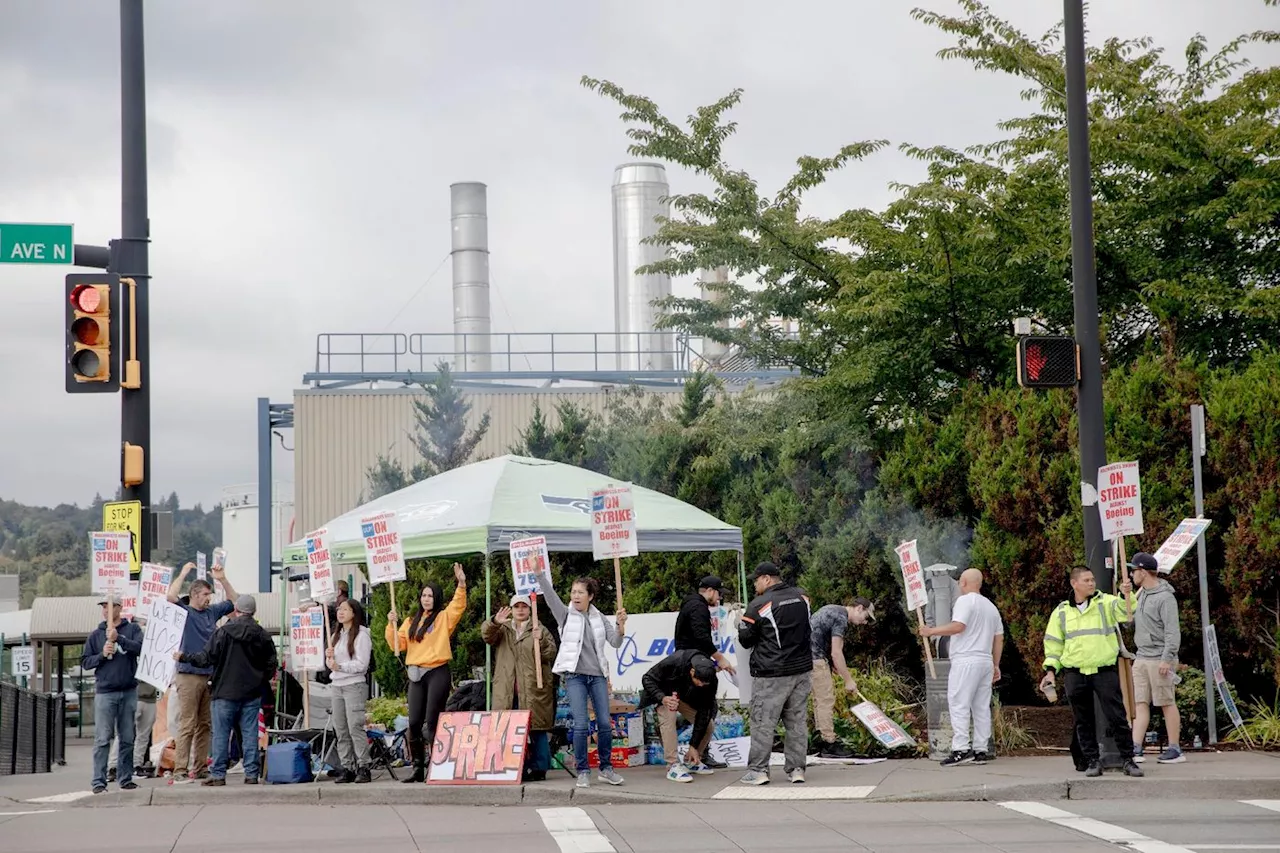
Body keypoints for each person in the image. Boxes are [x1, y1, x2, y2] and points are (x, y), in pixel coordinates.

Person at [1040, 566, 1143, 778]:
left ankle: (1128, 759)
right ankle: (1092, 761)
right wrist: (1050, 671)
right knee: (1082, 720)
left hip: (1103, 670)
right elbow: (1053, 645)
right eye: (1086, 580)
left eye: (1092, 579)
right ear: (1074, 583)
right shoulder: (1061, 612)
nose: (1091, 583)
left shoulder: (1105, 602)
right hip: (1075, 673)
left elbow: (1126, 612)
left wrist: (1126, 594)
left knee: (1117, 717)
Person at [536, 569, 627, 789]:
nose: (575, 596)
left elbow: (615, 642)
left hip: (597, 676)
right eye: (573, 592)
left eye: (580, 592)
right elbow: (550, 597)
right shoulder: (565, 615)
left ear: (590, 596)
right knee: (581, 724)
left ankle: (606, 768)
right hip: (574, 676)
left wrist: (620, 626)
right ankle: (583, 771)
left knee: (605, 723)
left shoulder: (599, 618)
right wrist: (539, 574)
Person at [173, 594, 277, 786]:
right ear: (254, 612)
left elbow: (205, 658)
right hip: (252, 692)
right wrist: (261, 678)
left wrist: (184, 657)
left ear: (236, 610)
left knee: (221, 734)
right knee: (249, 734)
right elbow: (272, 663)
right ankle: (252, 774)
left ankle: (219, 774)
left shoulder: (223, 632)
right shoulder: (262, 634)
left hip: (224, 692)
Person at [386, 562, 468, 783]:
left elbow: (458, 606)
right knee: (413, 722)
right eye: (424, 595)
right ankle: (417, 768)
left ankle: (436, 766)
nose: (426, 599)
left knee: (432, 722)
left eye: (430, 596)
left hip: (437, 671)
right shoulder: (410, 621)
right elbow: (397, 645)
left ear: (436, 598)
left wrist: (461, 584)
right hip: (416, 674)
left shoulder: (442, 618)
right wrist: (390, 624)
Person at [737, 562, 813, 786]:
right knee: (797, 722)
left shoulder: (759, 604)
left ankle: (758, 770)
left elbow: (745, 639)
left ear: (767, 579)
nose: (754, 583)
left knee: (763, 722)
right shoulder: (803, 598)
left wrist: (738, 624)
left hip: (771, 673)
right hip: (802, 670)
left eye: (757, 579)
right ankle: (797, 769)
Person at [920, 569, 1004, 766]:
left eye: (959, 582)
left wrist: (931, 630)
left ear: (964, 583)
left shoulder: (965, 601)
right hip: (985, 660)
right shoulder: (991, 607)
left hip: (966, 658)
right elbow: (998, 638)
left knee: (959, 703)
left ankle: (961, 748)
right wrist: (995, 664)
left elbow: (958, 626)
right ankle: (980, 749)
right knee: (981, 706)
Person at [166, 560, 238, 779]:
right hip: (188, 674)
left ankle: (200, 767)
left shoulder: (212, 612)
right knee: (187, 723)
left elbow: (235, 602)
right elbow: (170, 597)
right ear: (195, 594)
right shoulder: (185, 612)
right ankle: (180, 768)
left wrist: (222, 579)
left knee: (205, 724)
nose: (209, 598)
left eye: (210, 594)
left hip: (209, 674)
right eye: (206, 594)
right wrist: (183, 573)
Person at [482, 594, 559, 782]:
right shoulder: (503, 629)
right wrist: (494, 622)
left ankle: (540, 768)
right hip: (507, 689)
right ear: (511, 609)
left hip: (534, 688)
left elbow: (551, 653)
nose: (520, 610)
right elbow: (486, 636)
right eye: (516, 606)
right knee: (510, 729)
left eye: (524, 606)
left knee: (537, 729)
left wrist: (540, 640)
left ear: (529, 609)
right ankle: (517, 767)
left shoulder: (539, 628)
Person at [82, 597, 145, 794]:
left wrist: (120, 639)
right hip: (105, 692)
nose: (105, 610)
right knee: (102, 738)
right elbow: (86, 662)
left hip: (128, 690)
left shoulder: (133, 629)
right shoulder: (95, 635)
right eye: (103, 606)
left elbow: (141, 649)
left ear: (119, 608)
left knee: (127, 737)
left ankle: (125, 778)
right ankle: (99, 782)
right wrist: (101, 655)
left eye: (109, 606)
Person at [1129, 552, 1185, 764]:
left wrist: (1167, 658)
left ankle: (1175, 748)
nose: (1132, 574)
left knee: (1166, 702)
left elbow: (1173, 631)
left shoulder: (1165, 597)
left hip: (1159, 657)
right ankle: (1136, 746)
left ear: (1143, 572)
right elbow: (1129, 620)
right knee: (1140, 702)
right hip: (1142, 656)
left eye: (1134, 570)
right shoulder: (1141, 594)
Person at [808, 597, 875, 759]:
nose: (864, 623)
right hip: (815, 658)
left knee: (815, 700)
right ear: (859, 608)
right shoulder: (841, 618)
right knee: (825, 699)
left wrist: (835, 666)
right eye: (866, 617)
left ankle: (819, 738)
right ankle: (828, 743)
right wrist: (848, 680)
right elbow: (836, 652)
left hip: (804, 657)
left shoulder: (832, 608)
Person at [640, 649, 719, 783]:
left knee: (708, 725)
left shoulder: (710, 681)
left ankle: (692, 760)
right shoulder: (674, 661)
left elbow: (704, 711)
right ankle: (672, 765)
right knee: (669, 716)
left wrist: (693, 746)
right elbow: (647, 678)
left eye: (704, 684)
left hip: (685, 698)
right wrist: (662, 697)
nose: (701, 685)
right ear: (692, 672)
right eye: (699, 682)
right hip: (664, 694)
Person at [326, 598, 373, 784]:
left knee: (355, 726)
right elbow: (331, 666)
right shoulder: (335, 636)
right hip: (337, 685)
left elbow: (362, 664)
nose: (340, 612)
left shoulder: (361, 635)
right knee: (341, 728)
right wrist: (329, 660)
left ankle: (364, 765)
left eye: (345, 609)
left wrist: (340, 666)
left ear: (354, 612)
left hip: (354, 685)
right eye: (339, 609)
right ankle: (347, 766)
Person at [674, 575, 737, 677]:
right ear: (710, 591)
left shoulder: (692, 604)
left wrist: (712, 663)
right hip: (691, 661)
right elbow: (702, 637)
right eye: (719, 594)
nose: (719, 598)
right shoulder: (698, 607)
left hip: (690, 659)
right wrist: (720, 659)